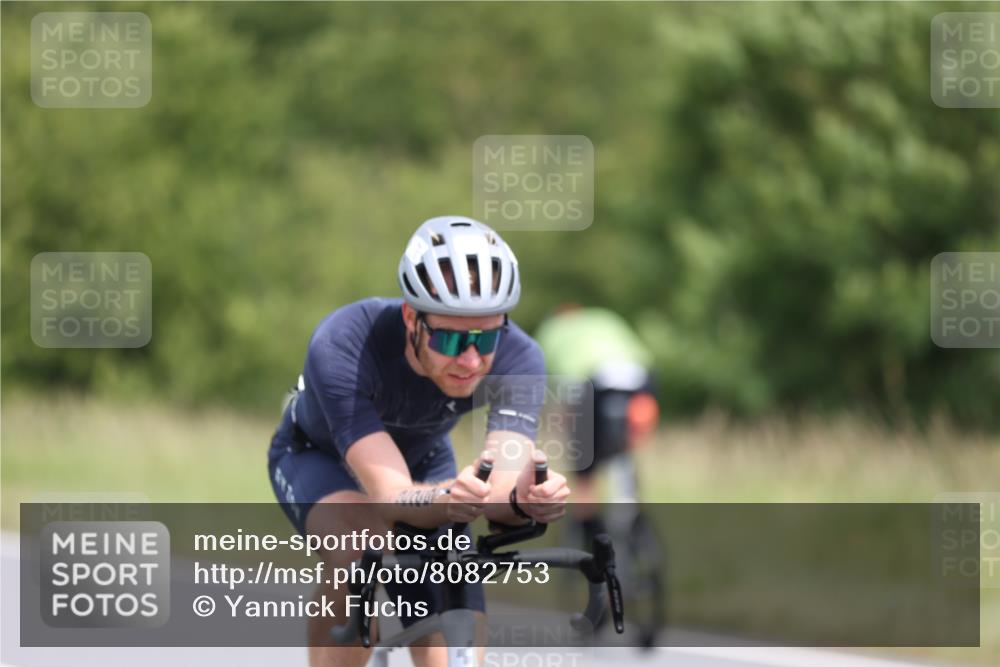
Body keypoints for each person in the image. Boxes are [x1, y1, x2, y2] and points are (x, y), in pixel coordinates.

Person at [267, 215, 570, 667]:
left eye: (487, 338)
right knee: (358, 552)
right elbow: (392, 497)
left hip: (423, 458)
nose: (471, 361)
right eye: (449, 340)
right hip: (318, 458)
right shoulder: (344, 342)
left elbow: (502, 484)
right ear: (412, 317)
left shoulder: (521, 357)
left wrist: (523, 500)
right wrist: (450, 497)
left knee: (451, 585)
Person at [533, 305, 659, 546]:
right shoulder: (605, 317)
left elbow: (546, 378)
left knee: (584, 468)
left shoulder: (552, 329)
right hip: (640, 380)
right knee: (625, 449)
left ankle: (587, 524)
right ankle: (631, 511)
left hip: (592, 383)